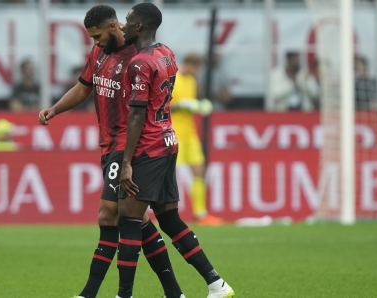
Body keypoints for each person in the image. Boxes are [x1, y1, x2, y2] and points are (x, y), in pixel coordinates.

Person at [38, 5, 183, 298]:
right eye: (91, 37)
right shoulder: (99, 53)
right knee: (137, 220)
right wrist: (54, 109)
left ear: (115, 26)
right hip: (107, 144)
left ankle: (90, 293)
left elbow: (142, 109)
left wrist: (129, 157)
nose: (95, 42)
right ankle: (174, 291)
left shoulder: (138, 57)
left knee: (109, 214)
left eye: (98, 35)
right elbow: (83, 87)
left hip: (127, 145)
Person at [117, 3, 234, 298]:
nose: (124, 25)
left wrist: (127, 160)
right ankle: (215, 283)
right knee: (168, 218)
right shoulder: (166, 52)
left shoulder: (140, 63)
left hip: (149, 147)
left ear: (140, 26)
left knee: (129, 219)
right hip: (169, 141)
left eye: (129, 20)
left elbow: (137, 114)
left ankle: (124, 295)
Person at [171, 53, 223, 226]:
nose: (198, 71)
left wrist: (200, 106)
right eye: (197, 68)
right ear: (190, 64)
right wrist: (182, 105)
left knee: (199, 170)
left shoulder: (192, 82)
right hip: (173, 133)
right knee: (165, 175)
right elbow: (160, 105)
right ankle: (153, 212)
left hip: (190, 134)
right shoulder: (172, 79)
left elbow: (193, 103)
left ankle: (201, 214)